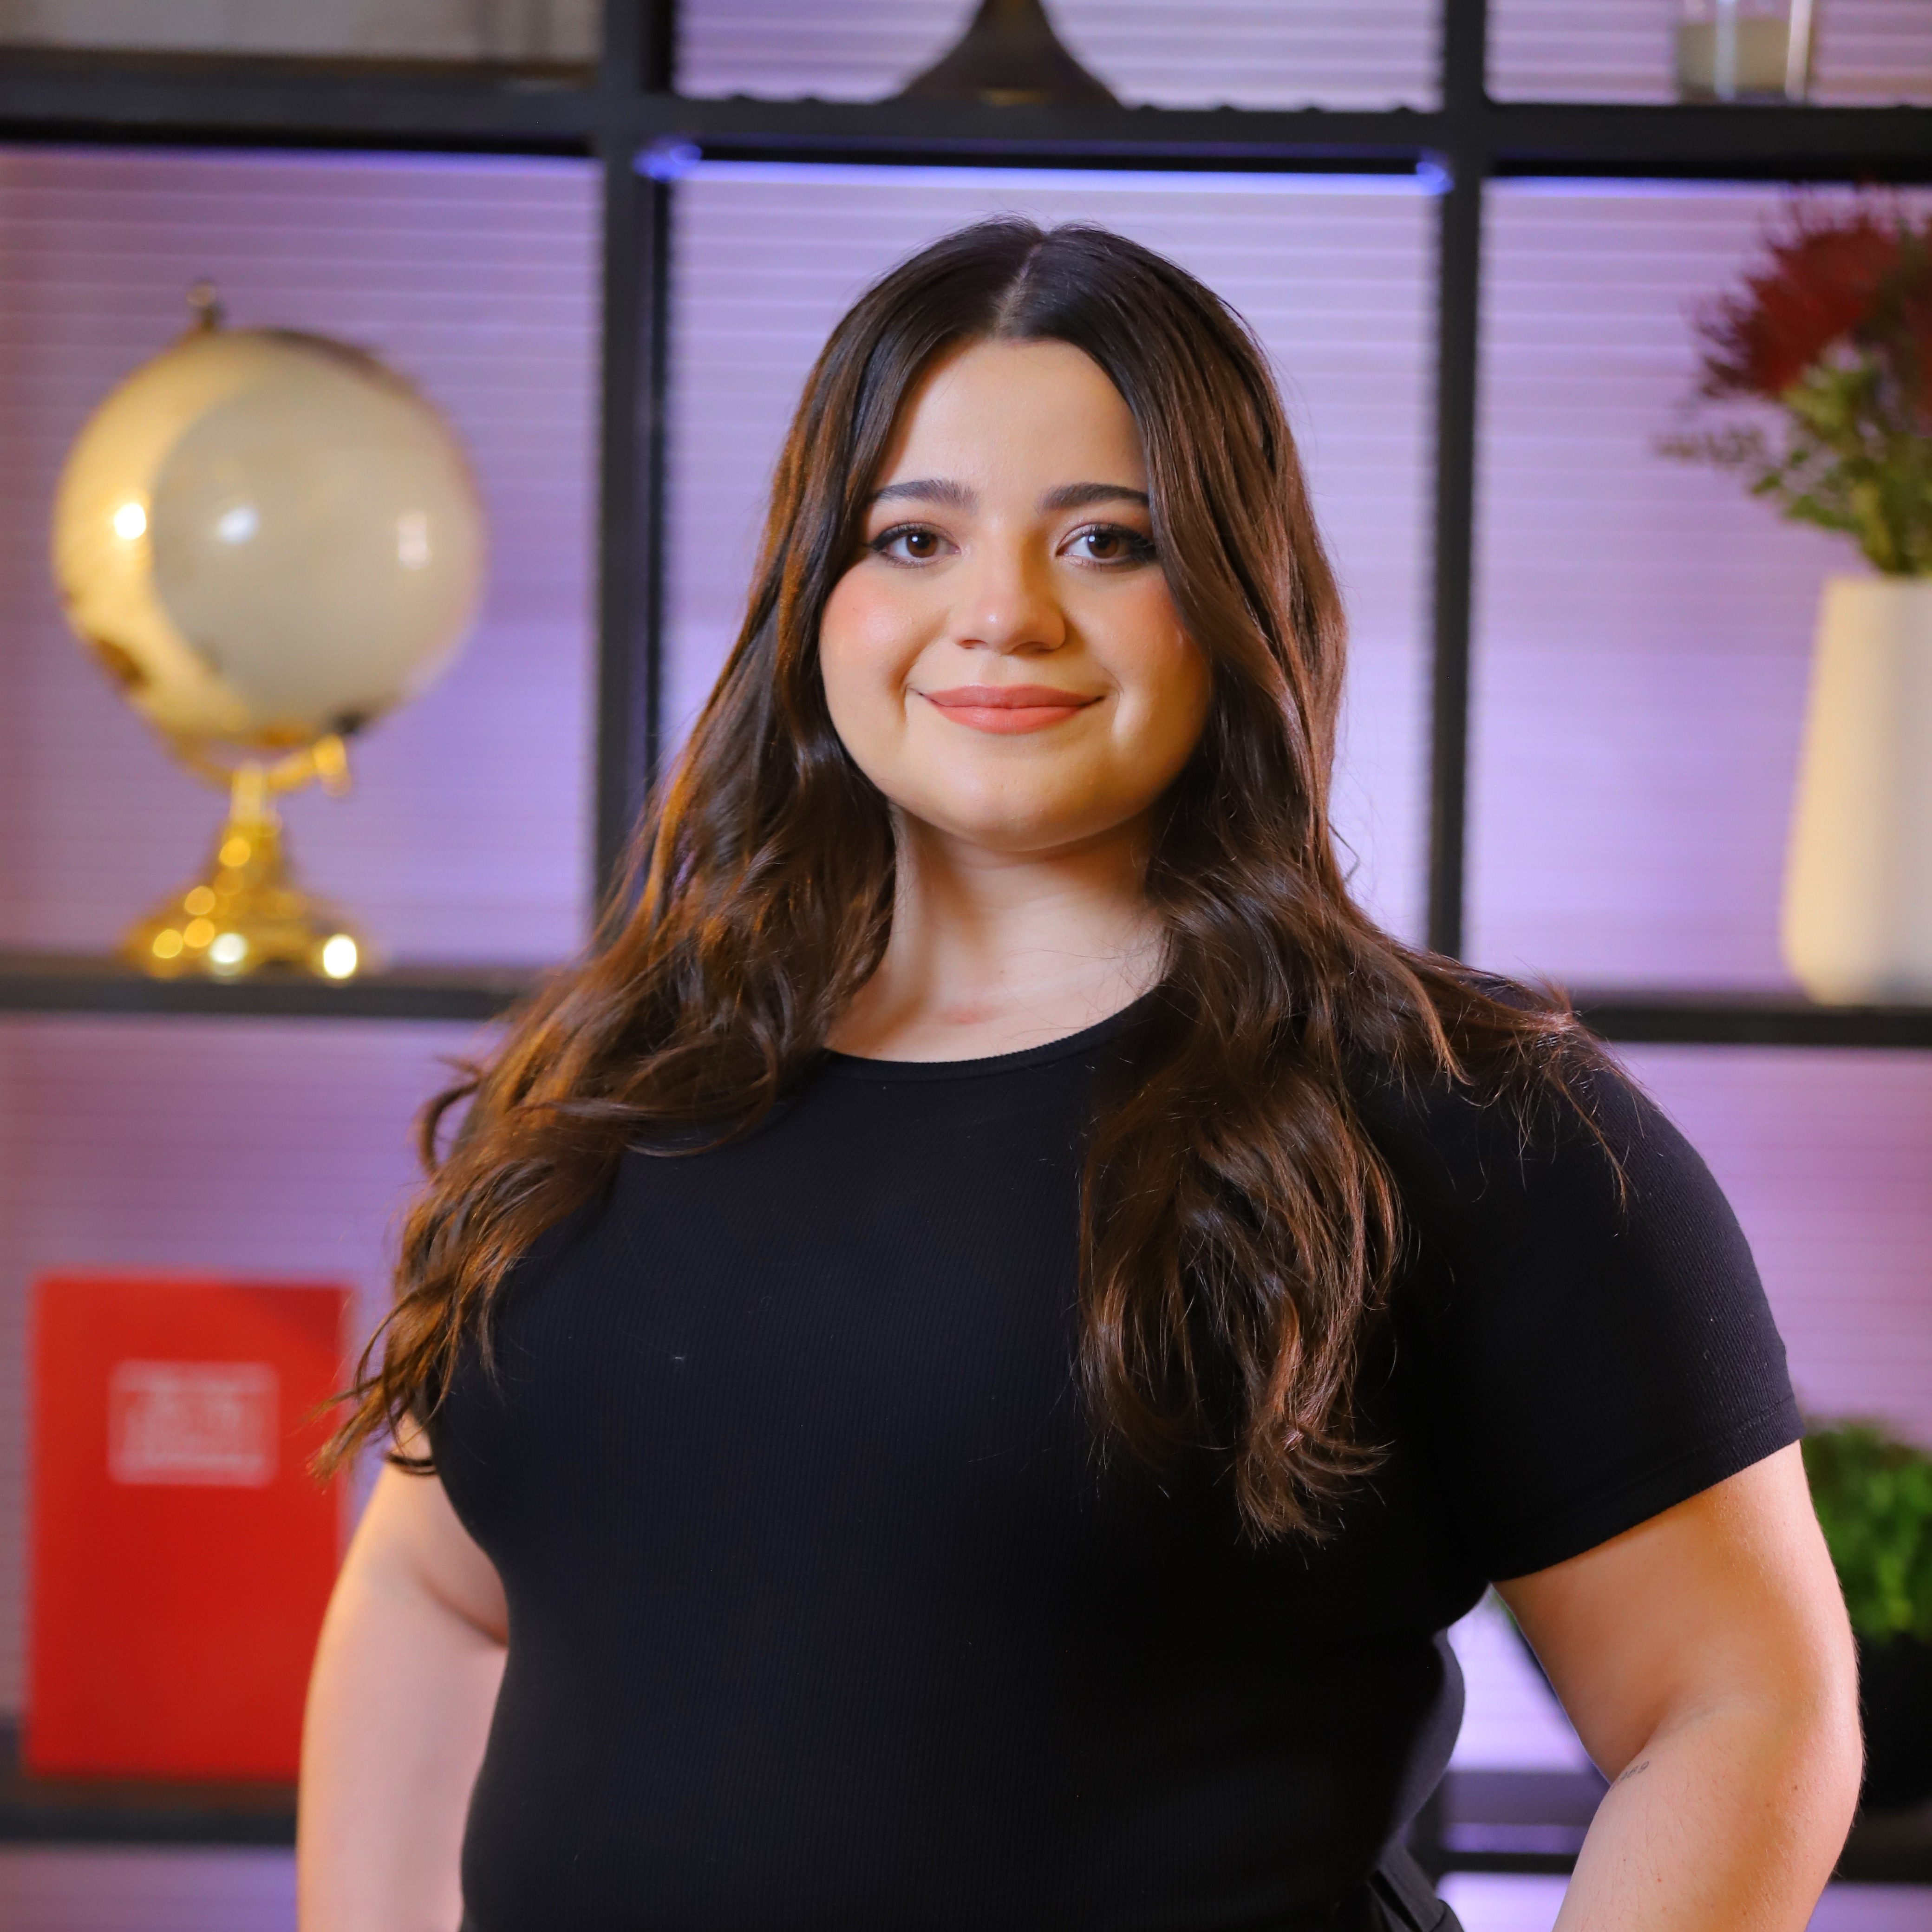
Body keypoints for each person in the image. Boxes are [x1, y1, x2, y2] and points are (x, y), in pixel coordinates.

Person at [297, 220, 1860, 1932]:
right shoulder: (612, 1086)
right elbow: (438, 1591)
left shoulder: (1459, 1118)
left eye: (1108, 541)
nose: (1003, 615)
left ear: (1233, 594)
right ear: (816, 597)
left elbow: (1739, 1706)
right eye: (915, 537)